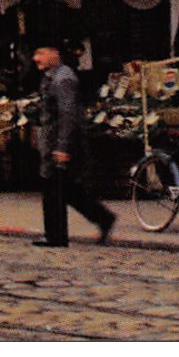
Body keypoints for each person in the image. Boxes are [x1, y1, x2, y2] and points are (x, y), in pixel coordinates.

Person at [31, 44, 115, 247]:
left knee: (54, 189)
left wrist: (63, 147)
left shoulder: (63, 78)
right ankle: (103, 219)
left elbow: (68, 115)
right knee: (68, 190)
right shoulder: (52, 76)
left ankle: (56, 237)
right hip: (55, 141)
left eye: (40, 53)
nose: (36, 58)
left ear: (55, 53)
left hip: (61, 143)